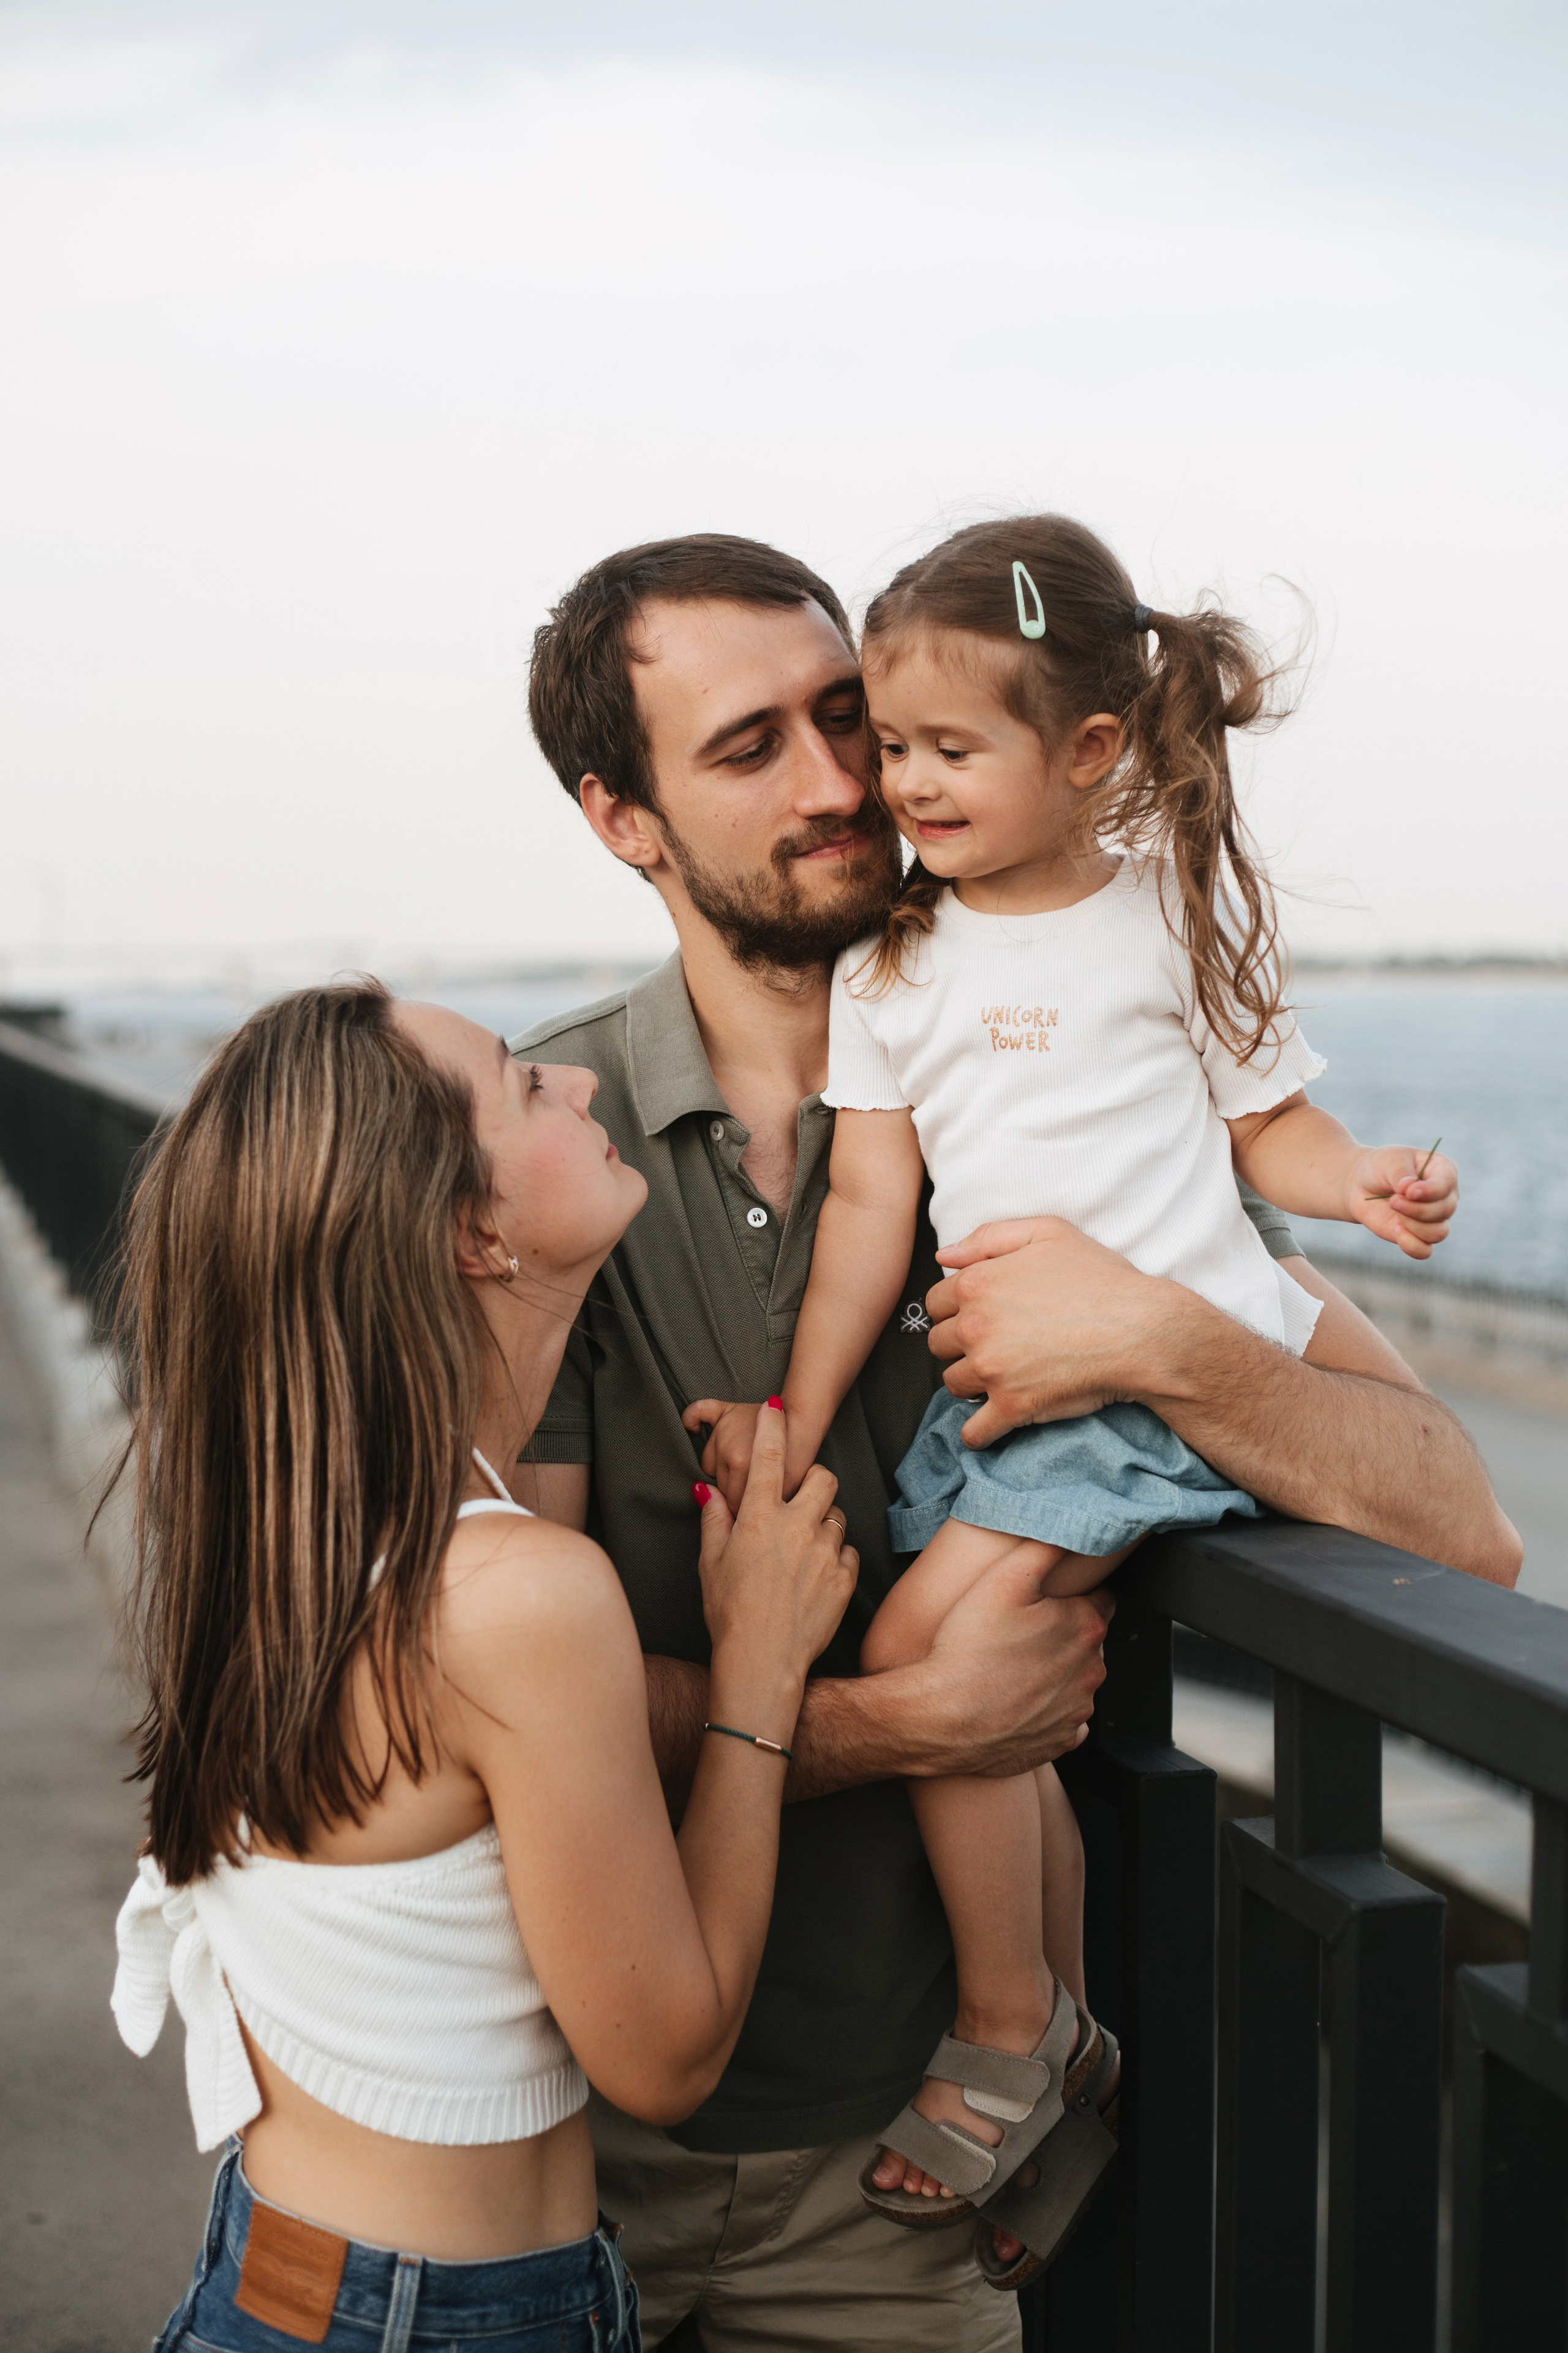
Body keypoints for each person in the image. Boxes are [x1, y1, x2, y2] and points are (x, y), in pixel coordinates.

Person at [518, 533, 1520, 2352]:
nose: (849, 787)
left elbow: (1466, 1533)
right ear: (622, 816)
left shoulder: (1090, 1117)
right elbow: (471, 1686)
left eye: (857, 719)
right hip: (571, 2151)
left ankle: (1028, 2030)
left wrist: (1160, 1336)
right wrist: (901, 1724)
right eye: (755, 750)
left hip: (914, 2192)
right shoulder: (531, 1157)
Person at [107, 980, 856, 2352]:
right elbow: (668, 2052)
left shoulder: (294, 1518)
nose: (579, 1087)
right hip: (443, 2318)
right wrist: (760, 1662)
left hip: (286, 2277)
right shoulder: (515, 1595)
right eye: (523, 1084)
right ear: (472, 1236)